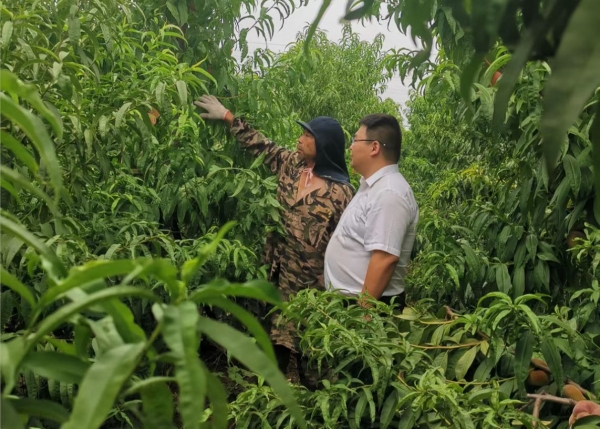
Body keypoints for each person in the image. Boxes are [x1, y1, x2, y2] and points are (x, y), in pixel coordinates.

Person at [194, 95, 354, 380]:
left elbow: (349, 247)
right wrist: (228, 116)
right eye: (302, 133)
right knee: (272, 353)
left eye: (307, 136)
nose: (300, 139)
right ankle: (271, 407)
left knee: (312, 360)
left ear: (324, 146)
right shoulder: (291, 166)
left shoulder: (340, 194)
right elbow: (261, 145)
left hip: (314, 294)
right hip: (277, 279)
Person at [324, 114, 418, 307]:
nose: (350, 147)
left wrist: (364, 314)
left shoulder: (389, 192)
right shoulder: (373, 186)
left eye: (355, 139)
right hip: (351, 304)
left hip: (370, 307)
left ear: (374, 147)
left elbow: (385, 259)